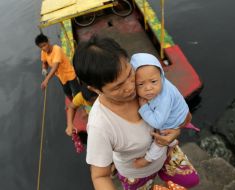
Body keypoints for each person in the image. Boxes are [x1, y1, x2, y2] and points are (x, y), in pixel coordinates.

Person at [73, 36, 199, 190]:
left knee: (191, 181)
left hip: (166, 153)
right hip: (137, 172)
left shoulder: (145, 79)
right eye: (118, 87)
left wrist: (176, 131)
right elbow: (100, 175)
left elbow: (184, 115)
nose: (131, 87)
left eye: (129, 74)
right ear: (96, 89)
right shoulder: (100, 125)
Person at [130, 53, 200, 168]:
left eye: (153, 82)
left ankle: (148, 159)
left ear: (161, 76)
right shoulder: (159, 85)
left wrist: (144, 108)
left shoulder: (165, 98)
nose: (148, 88)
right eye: (141, 84)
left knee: (159, 139)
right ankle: (173, 143)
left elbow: (158, 122)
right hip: (176, 113)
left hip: (174, 119)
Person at [35, 33, 80, 99]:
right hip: (61, 76)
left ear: (48, 41)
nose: (43, 48)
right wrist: (44, 69)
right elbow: (44, 62)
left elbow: (55, 66)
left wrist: (46, 80)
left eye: (44, 45)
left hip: (70, 74)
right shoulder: (43, 52)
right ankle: (72, 105)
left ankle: (78, 103)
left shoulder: (57, 50)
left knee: (76, 92)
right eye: (41, 47)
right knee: (67, 92)